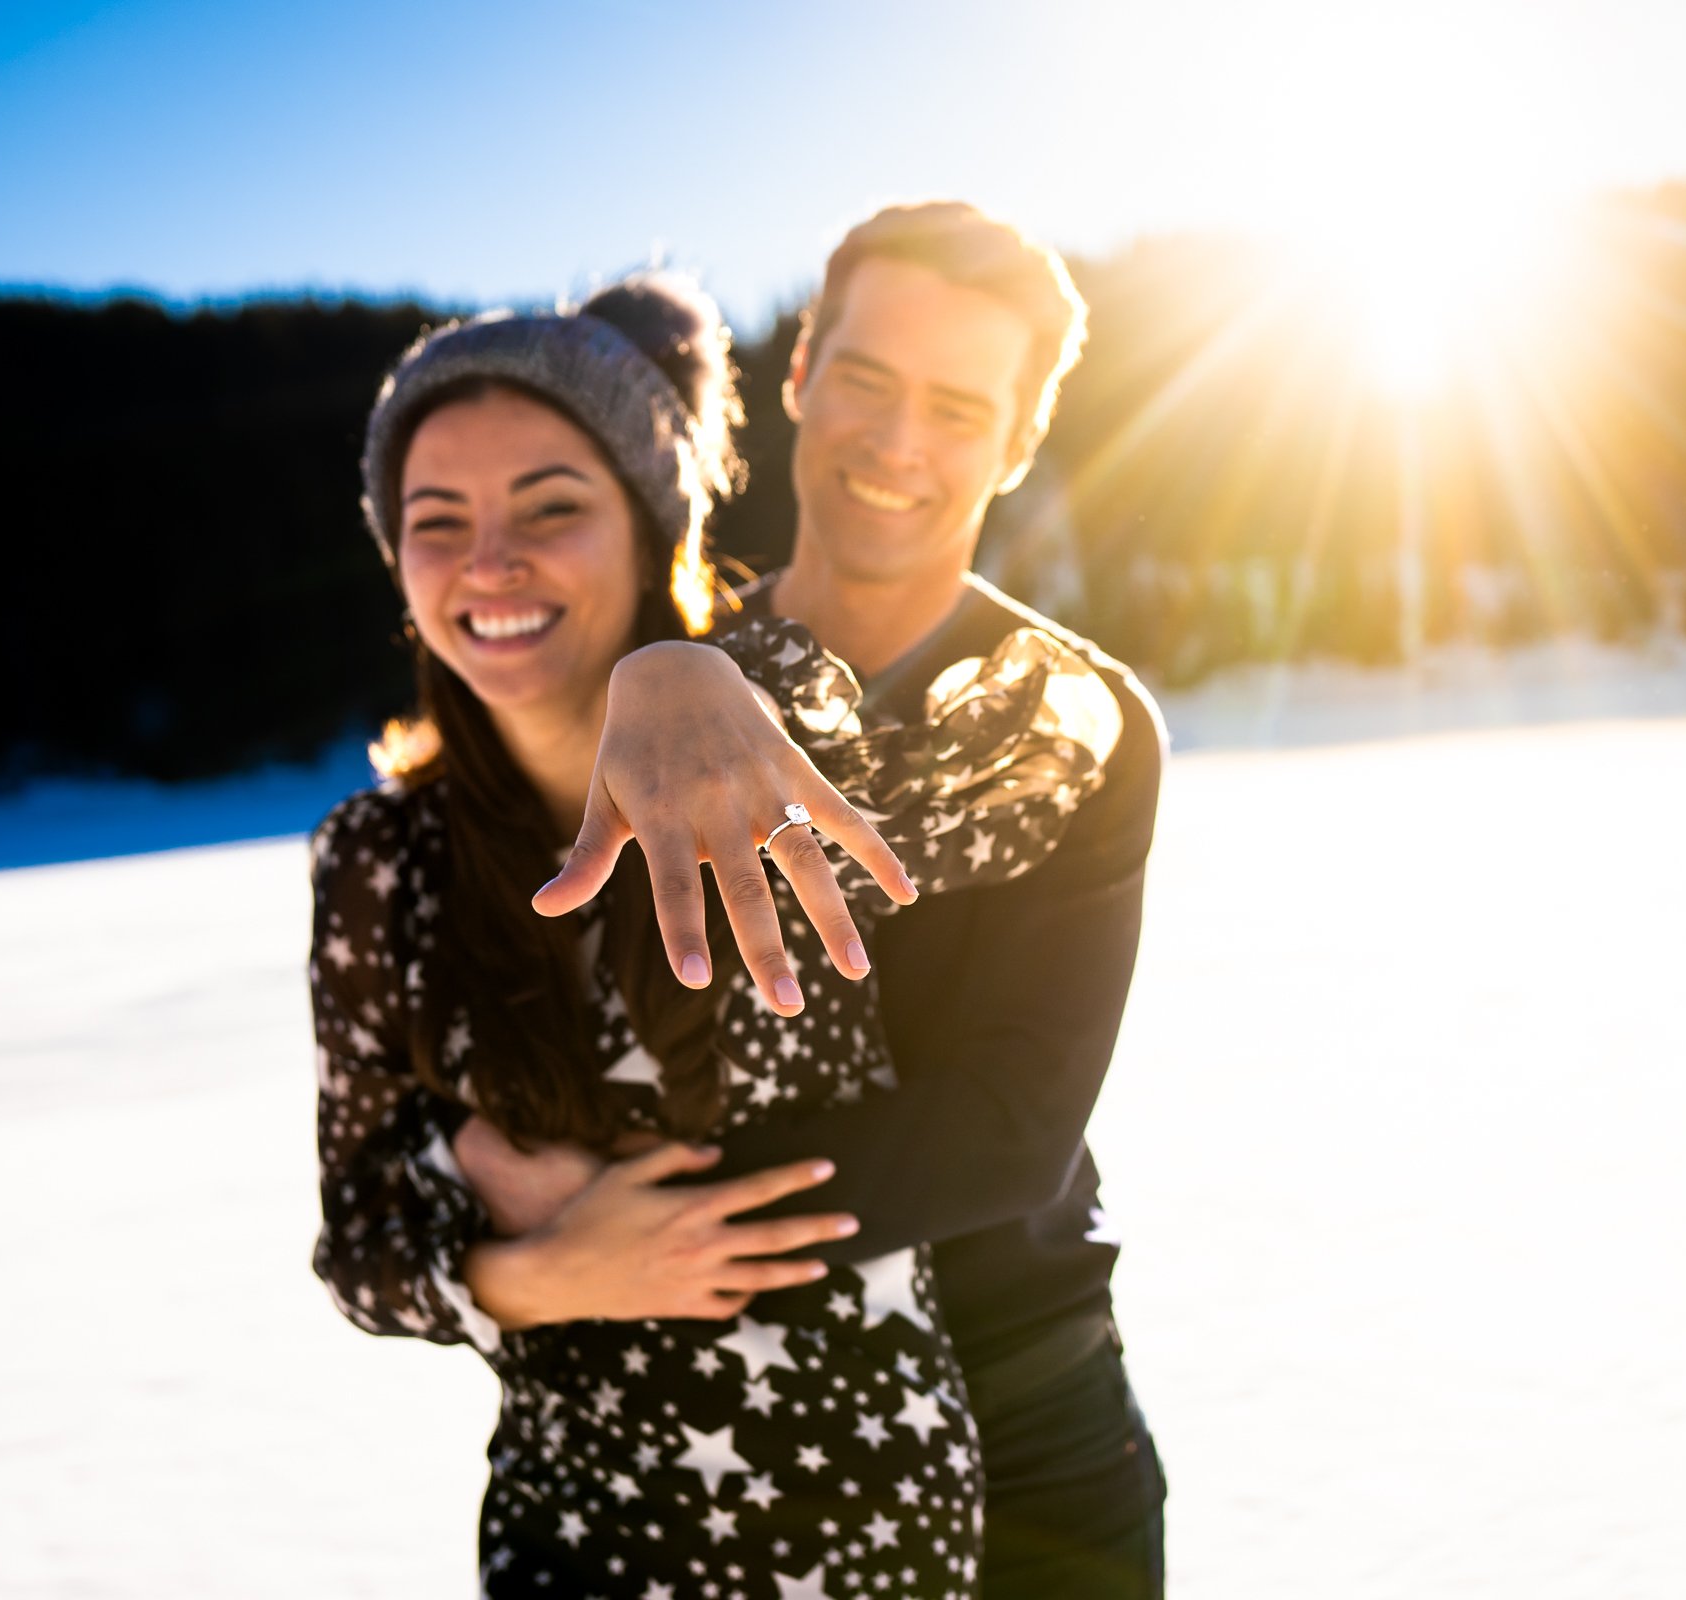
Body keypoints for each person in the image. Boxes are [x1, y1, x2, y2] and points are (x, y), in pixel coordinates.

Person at [309, 273, 1123, 1596]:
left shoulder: (791, 731)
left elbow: (1044, 745)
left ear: (651, 525)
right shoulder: (378, 861)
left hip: (855, 1515)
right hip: (570, 1535)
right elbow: (363, 1239)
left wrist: (688, 668)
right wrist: (543, 1272)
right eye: (435, 519)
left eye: (552, 507)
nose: (488, 562)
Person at [512, 202, 1170, 1598]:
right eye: (865, 380)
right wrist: (656, 661)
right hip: (695, 1449)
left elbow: (1010, 1133)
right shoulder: (646, 686)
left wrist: (637, 1235)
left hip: (1024, 1445)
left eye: (958, 406)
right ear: (800, 370)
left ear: (1020, 441)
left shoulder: (1076, 720)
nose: (899, 442)